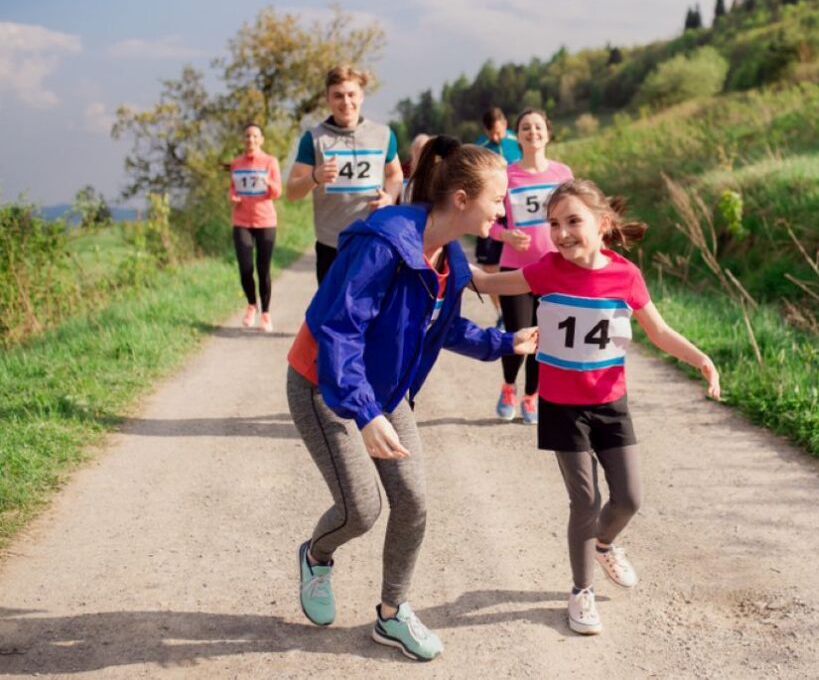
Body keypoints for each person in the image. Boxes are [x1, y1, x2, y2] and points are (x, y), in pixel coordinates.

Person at [284, 137, 537, 661]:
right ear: (462, 199)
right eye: (498, 198)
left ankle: (391, 613)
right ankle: (317, 555)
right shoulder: (384, 241)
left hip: (383, 386)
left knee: (414, 503)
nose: (503, 209)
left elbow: (442, 325)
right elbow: (339, 330)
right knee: (362, 509)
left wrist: (503, 343)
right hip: (323, 384)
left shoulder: (450, 256)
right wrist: (366, 412)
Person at [472, 179, 720, 636]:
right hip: (562, 406)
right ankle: (581, 591)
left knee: (629, 498)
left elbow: (660, 332)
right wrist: (441, 253)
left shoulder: (625, 275)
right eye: (554, 224)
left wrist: (701, 359)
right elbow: (486, 280)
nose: (562, 233)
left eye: (572, 221)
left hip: (610, 404)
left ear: (602, 225)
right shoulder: (546, 269)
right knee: (585, 500)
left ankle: (604, 544)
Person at [487, 109, 574, 425]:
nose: (532, 132)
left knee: (544, 339)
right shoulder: (507, 175)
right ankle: (508, 386)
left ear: (547, 133)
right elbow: (489, 221)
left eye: (538, 127)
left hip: (555, 270)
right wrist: (505, 234)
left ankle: (531, 397)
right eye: (526, 127)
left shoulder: (563, 174)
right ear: (517, 135)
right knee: (517, 337)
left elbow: (575, 217)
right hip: (516, 272)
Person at [285, 64, 405, 284]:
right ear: (327, 98)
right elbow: (292, 192)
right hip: (332, 245)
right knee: (331, 315)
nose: (346, 102)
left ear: (361, 96)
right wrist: (315, 177)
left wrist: (389, 197)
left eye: (351, 94)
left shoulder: (383, 135)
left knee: (371, 314)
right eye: (338, 96)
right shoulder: (314, 139)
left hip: (373, 240)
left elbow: (395, 175)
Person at [229, 123, 282, 332]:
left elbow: (278, 192)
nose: (250, 140)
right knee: (245, 269)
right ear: (244, 140)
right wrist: (232, 197)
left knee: (263, 269)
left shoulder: (270, 161)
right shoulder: (236, 163)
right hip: (241, 221)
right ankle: (252, 305)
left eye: (254, 136)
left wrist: (267, 181)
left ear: (261, 140)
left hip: (265, 221)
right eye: (247, 136)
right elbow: (232, 189)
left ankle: (266, 313)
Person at [472, 108, 521, 322]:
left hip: (517, 209)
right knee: (490, 265)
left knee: (517, 260)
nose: (496, 137)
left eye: (499, 132)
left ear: (505, 123)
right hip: (492, 209)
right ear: (485, 130)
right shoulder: (480, 147)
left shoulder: (518, 140)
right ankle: (501, 312)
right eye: (492, 134)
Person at [400, 133, 431, 203]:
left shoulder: (434, 171)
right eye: (418, 149)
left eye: (425, 150)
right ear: (411, 150)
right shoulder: (402, 169)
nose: (420, 153)